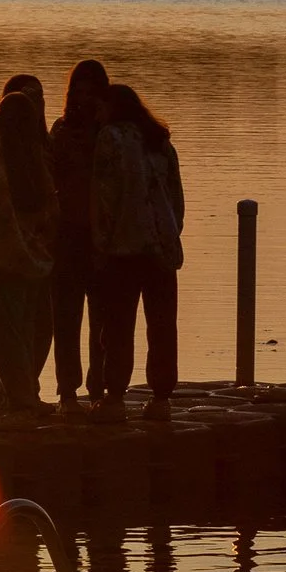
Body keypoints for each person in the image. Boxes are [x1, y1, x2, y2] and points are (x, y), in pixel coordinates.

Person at [89, 82, 185, 422]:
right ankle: (161, 398)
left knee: (117, 326)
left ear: (111, 108)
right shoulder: (159, 141)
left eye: (100, 108)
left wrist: (100, 244)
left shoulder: (110, 138)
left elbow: (105, 197)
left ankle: (114, 398)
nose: (97, 115)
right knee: (161, 325)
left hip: (123, 247)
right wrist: (172, 232)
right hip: (162, 246)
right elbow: (176, 197)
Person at [0, 74, 56, 421]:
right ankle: (25, 397)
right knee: (28, 330)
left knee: (3, 334)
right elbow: (51, 213)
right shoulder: (40, 161)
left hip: (2, 262)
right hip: (35, 262)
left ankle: (17, 403)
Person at [46, 59, 110, 415]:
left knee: (102, 323)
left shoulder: (111, 133)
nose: (83, 98)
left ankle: (98, 389)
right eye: (78, 91)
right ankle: (68, 393)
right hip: (67, 237)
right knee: (66, 322)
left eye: (91, 91)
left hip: (100, 239)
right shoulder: (62, 130)